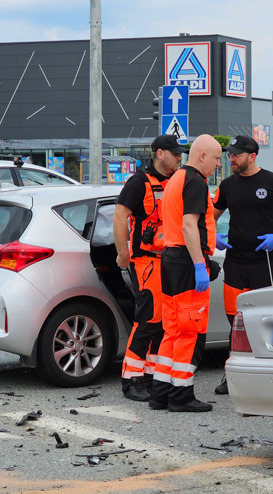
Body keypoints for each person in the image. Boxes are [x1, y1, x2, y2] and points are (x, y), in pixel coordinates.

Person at [211, 135, 273, 395]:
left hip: (264, 262)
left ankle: (270, 375)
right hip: (235, 261)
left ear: (252, 156)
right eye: (229, 155)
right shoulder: (227, 185)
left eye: (236, 155)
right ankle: (235, 376)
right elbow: (210, 215)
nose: (231, 159)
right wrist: (212, 235)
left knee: (266, 321)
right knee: (235, 321)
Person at [150, 134, 223, 412]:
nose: (218, 164)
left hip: (171, 258)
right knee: (188, 330)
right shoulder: (195, 182)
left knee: (171, 328)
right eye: (216, 158)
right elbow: (190, 225)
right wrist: (199, 264)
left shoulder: (176, 180)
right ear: (202, 155)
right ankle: (181, 395)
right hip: (185, 259)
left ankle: (161, 393)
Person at [113, 135, 186, 402]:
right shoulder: (139, 182)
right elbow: (120, 216)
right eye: (175, 153)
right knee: (148, 320)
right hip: (147, 261)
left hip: (170, 260)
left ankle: (152, 375)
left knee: (164, 322)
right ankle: (131, 378)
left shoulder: (175, 182)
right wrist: (123, 252)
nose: (180, 158)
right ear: (159, 153)